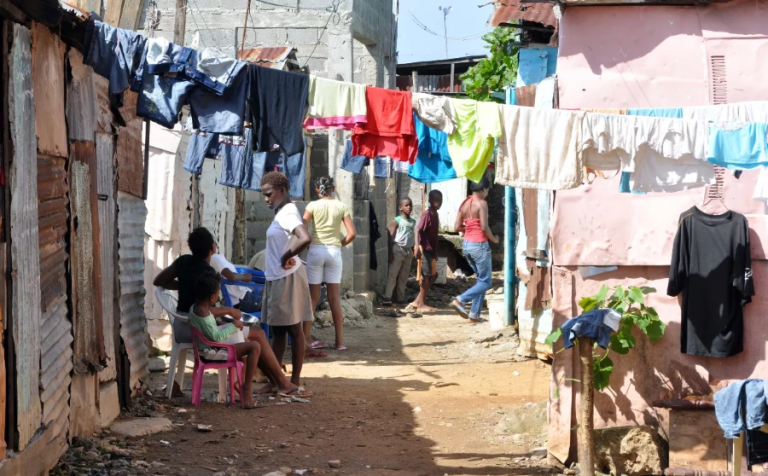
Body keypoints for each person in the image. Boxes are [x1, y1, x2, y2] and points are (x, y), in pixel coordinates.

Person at [153, 227, 302, 397]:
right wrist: (229, 310)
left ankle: (276, 382)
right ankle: (281, 383)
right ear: (213, 248)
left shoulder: (183, 261)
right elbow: (204, 311)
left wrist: (183, 284)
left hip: (183, 325)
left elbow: (159, 280)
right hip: (198, 331)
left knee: (253, 335)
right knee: (258, 335)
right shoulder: (207, 274)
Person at [260, 171, 314, 391]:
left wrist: (286, 257)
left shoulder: (288, 213)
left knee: (293, 330)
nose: (266, 199)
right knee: (279, 330)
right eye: (264, 195)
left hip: (288, 278)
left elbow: (305, 238)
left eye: (269, 194)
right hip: (278, 277)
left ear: (281, 191)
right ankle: (276, 381)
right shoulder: (282, 212)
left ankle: (294, 381)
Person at [188, 271, 262, 409]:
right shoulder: (204, 315)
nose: (219, 296)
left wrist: (228, 321)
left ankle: (240, 383)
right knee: (255, 347)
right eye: (217, 293)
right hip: (211, 352)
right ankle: (247, 387)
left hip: (205, 349)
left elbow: (211, 322)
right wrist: (233, 326)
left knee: (244, 344)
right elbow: (216, 337)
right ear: (212, 297)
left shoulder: (196, 308)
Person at [302, 176, 356, 352]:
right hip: (334, 252)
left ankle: (305, 339)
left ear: (318, 190)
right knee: (334, 298)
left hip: (316, 251)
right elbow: (352, 234)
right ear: (332, 188)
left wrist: (308, 242)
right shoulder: (341, 206)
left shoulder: (312, 206)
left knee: (313, 297)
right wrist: (340, 244)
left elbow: (302, 227)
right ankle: (339, 342)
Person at [450, 176, 499, 323]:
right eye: (488, 190)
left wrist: (470, 227)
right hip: (479, 245)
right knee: (486, 282)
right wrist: (495, 239)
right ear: (483, 189)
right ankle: (460, 300)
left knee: (480, 280)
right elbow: (484, 227)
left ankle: (474, 315)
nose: (488, 193)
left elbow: (456, 227)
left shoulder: (465, 204)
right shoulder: (482, 203)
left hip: (467, 245)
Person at [408, 190, 442, 312]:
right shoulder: (427, 215)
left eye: (440, 200)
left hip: (431, 250)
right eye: (436, 200)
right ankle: (421, 303)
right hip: (424, 249)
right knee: (427, 276)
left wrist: (435, 252)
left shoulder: (435, 214)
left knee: (434, 275)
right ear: (430, 201)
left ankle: (418, 300)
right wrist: (417, 248)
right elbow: (417, 230)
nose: (438, 203)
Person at [383, 197, 415, 307]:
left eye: (410, 205)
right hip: (398, 249)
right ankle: (387, 297)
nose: (409, 207)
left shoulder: (412, 221)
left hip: (408, 251)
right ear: (400, 207)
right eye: (406, 205)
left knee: (404, 276)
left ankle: (401, 298)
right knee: (393, 274)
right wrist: (391, 252)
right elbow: (390, 235)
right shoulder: (397, 220)